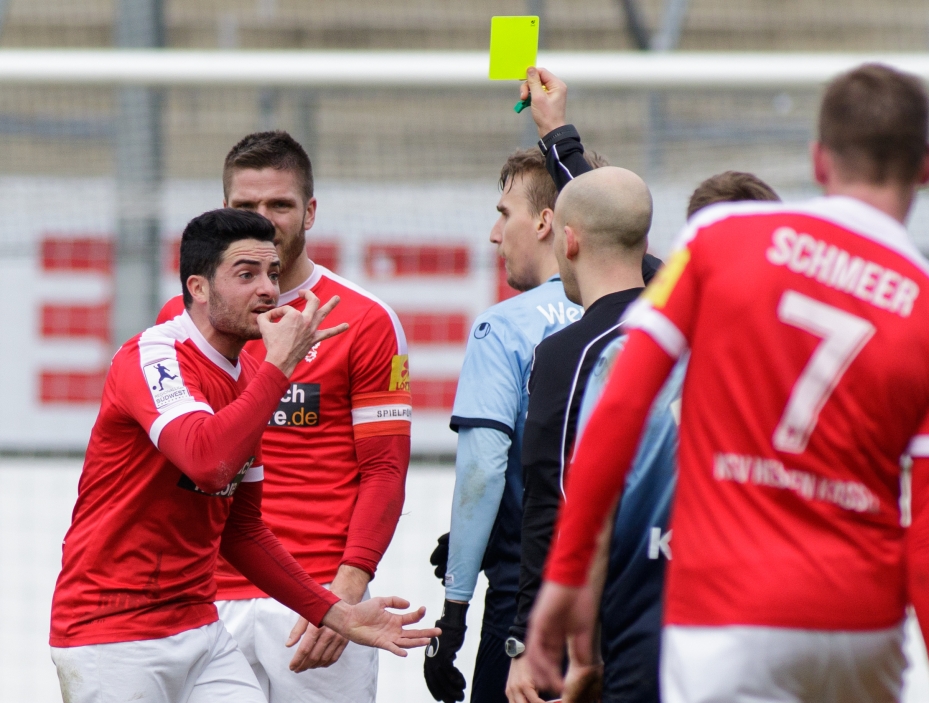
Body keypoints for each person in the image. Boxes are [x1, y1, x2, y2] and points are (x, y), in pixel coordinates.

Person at [529, 63, 929, 703]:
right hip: (862, 629)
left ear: (820, 161)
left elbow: (623, 406)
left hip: (728, 617)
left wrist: (566, 573)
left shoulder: (720, 240)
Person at [49, 209, 437, 703]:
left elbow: (243, 530)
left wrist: (334, 611)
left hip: (198, 628)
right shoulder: (152, 356)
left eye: (273, 274)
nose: (269, 290)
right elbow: (206, 461)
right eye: (246, 274)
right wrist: (279, 366)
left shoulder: (249, 382)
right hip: (112, 632)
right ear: (199, 288)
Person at [158, 131, 411, 703]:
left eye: (280, 205)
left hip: (317, 596)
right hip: (207, 598)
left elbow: (385, 472)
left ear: (311, 212)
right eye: (246, 207)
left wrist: (346, 591)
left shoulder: (366, 320)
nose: (264, 221)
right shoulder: (184, 317)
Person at [556, 170, 781, 703]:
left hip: (648, 641)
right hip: (772, 640)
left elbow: (592, 517)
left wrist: (583, 653)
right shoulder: (805, 367)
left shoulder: (626, 358)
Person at [422, 147, 602, 703]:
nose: (495, 235)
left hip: (527, 602)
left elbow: (482, 472)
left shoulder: (503, 328)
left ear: (547, 223)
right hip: (622, 598)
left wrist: (453, 618)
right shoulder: (638, 318)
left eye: (505, 214)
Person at [507, 165, 653, 703]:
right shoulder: (692, 333)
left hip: (604, 621)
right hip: (695, 607)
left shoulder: (574, 352)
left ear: (567, 240)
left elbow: (550, 503)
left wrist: (524, 641)